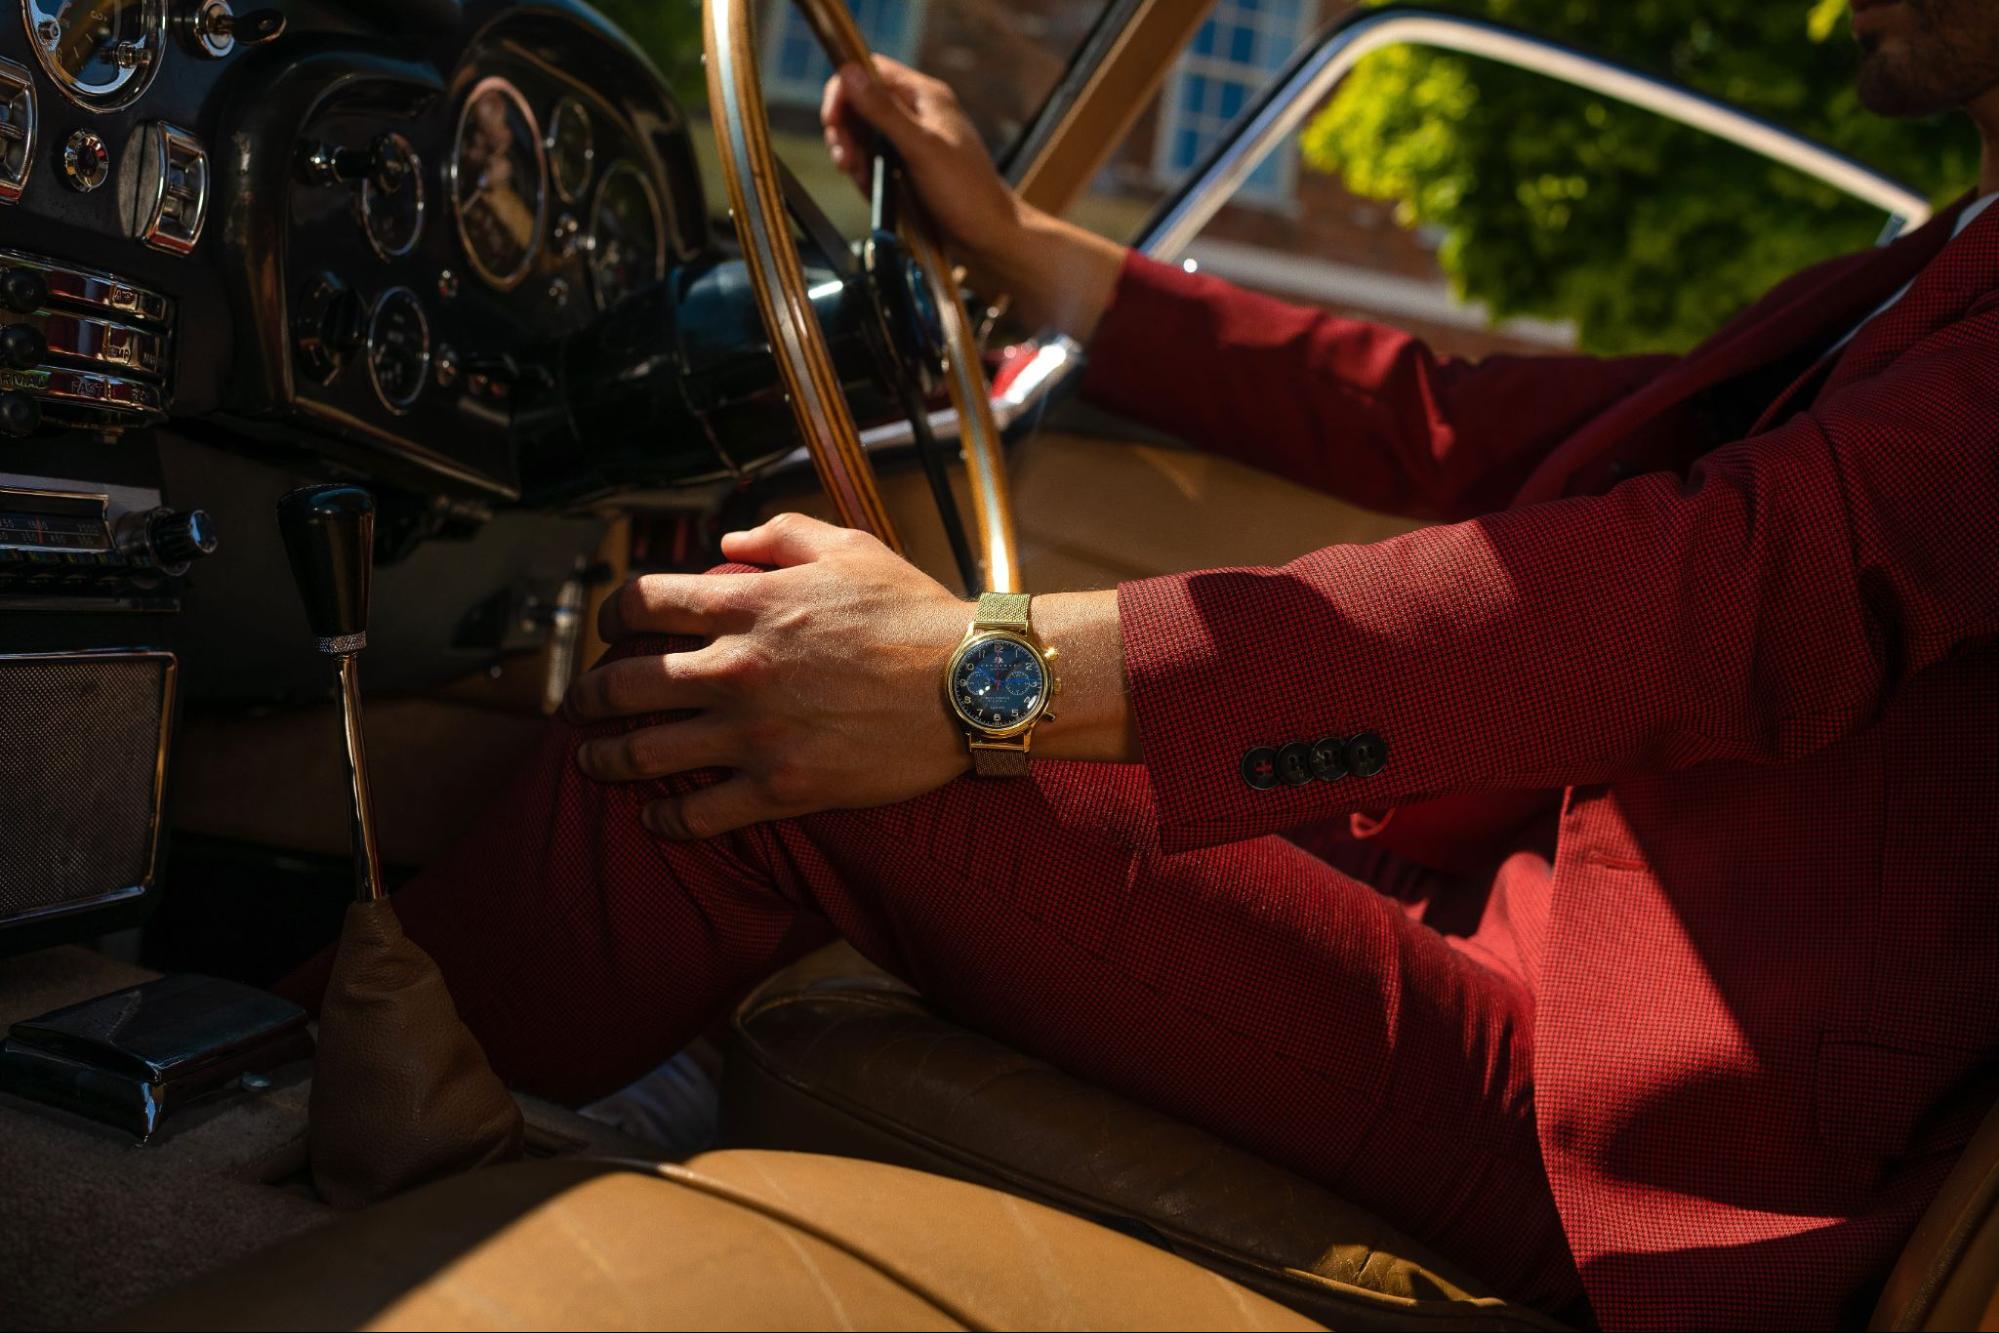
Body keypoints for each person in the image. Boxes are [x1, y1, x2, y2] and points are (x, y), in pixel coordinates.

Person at [290, 4, 1999, 1328]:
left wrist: (981, 672)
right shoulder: (1945, 263)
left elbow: (1706, 594)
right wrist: (1037, 251)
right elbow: (1467, 424)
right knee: (794, 668)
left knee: (747, 709)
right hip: (1494, 899)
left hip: (1619, 1118)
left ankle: (294, 1169)